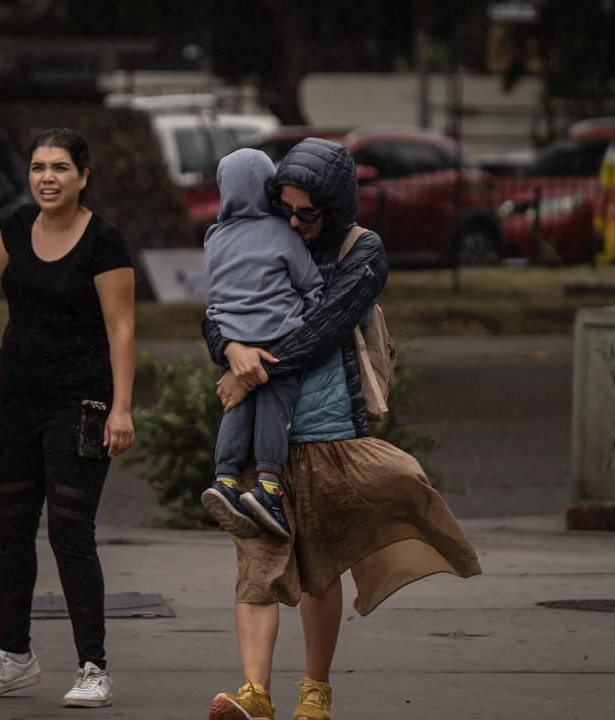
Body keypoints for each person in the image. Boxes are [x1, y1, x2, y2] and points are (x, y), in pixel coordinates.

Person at [202, 138, 482, 720]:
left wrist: (248, 375)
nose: (296, 221)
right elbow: (216, 313)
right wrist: (230, 348)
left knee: (319, 570)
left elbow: (323, 328)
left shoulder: (363, 250)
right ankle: (253, 693)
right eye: (286, 208)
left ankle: (315, 691)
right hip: (260, 434)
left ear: (335, 207)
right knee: (258, 567)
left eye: (309, 212)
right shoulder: (263, 237)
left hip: (326, 433)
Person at [0, 127, 135, 710]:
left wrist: (121, 408)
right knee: (11, 534)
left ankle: (94, 667)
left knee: (69, 532)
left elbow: (122, 329)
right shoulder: (17, 224)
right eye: (38, 167)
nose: (47, 177)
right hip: (13, 404)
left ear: (84, 177)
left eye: (60, 167)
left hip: (79, 406)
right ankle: (14, 657)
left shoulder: (104, 243)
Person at [200, 148, 324, 540]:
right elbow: (310, 284)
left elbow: (211, 293)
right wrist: (304, 312)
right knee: (274, 405)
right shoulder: (283, 232)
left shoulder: (214, 236)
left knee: (235, 406)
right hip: (278, 341)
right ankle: (269, 486)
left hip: (232, 340)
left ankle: (224, 480)